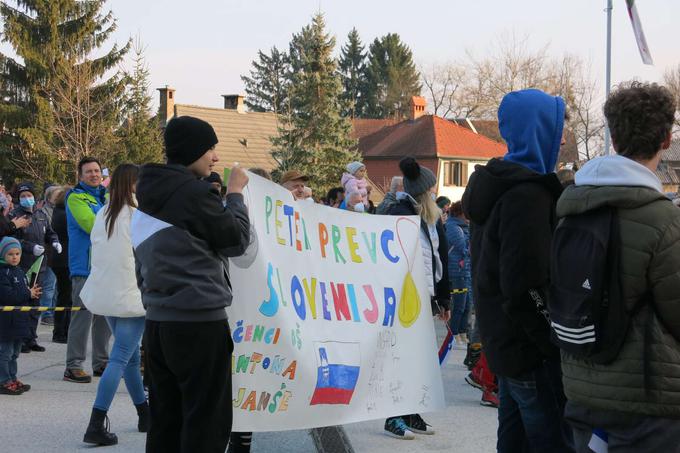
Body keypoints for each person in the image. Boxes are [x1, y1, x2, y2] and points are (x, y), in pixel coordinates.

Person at [557, 82, 680, 451]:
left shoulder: (571, 208)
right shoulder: (663, 220)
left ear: (612, 136)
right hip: (646, 406)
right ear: (667, 140)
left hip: (582, 390)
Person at [462, 88, 572, 452]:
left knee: (514, 442)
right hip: (530, 352)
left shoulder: (499, 186)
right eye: (558, 130)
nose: (561, 139)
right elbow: (523, 283)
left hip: (505, 346)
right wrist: (552, 342)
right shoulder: (526, 196)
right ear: (540, 132)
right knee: (552, 442)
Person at [132, 116, 249, 453]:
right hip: (199, 324)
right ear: (194, 150)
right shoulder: (192, 195)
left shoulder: (152, 191)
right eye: (210, 148)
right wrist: (236, 194)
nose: (215, 157)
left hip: (158, 323)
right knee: (206, 425)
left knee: (166, 424)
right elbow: (236, 242)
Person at [78, 164, 147, 446]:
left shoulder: (103, 213)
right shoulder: (137, 215)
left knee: (128, 358)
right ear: (133, 184)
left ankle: (145, 413)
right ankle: (96, 422)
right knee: (120, 358)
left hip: (105, 295)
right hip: (130, 295)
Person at [384, 156, 450, 440]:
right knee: (399, 358)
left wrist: (443, 299)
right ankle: (392, 415)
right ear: (423, 192)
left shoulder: (432, 218)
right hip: (402, 299)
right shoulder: (398, 212)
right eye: (431, 189)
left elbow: (438, 258)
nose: (435, 193)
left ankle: (410, 410)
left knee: (419, 359)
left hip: (425, 296)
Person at [64, 157, 111, 383]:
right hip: (84, 266)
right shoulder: (75, 197)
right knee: (82, 317)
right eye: (88, 172)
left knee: (104, 316)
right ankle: (73, 365)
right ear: (80, 176)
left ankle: (101, 362)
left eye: (96, 171)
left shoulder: (106, 197)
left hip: (105, 266)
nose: (93, 174)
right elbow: (92, 225)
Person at [9, 182, 61, 352]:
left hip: (40, 266)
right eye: (23, 196)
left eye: (29, 195)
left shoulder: (40, 214)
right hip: (22, 266)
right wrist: (31, 247)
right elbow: (13, 240)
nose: (27, 199)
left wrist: (54, 242)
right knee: (23, 303)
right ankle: (21, 339)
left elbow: (50, 232)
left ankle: (31, 338)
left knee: (35, 303)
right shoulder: (15, 216)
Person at [0, 237, 41, 395]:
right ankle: (3, 381)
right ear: (3, 255)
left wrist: (32, 295)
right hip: (6, 322)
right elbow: (8, 296)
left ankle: (12, 377)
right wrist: (27, 293)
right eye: (10, 254)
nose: (15, 257)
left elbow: (23, 294)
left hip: (19, 321)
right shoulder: (3, 273)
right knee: (5, 352)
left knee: (15, 353)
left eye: (17, 253)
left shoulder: (20, 271)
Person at [446, 201, 472, 346]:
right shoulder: (453, 227)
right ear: (459, 213)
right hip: (457, 270)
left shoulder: (464, 227)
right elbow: (463, 247)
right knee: (459, 305)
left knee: (467, 305)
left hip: (466, 270)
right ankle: (453, 333)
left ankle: (462, 332)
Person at [51, 186, 72, 344]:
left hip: (60, 259)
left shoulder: (58, 212)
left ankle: (62, 331)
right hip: (65, 260)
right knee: (65, 297)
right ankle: (60, 332)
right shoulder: (65, 214)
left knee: (64, 296)